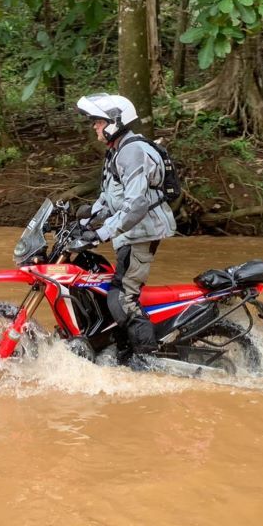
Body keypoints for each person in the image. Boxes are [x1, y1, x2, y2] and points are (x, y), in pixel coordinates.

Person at [71, 93, 176, 362]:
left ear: (114, 121)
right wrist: (84, 223)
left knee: (122, 299)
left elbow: (136, 204)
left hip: (141, 233)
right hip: (130, 232)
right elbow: (109, 198)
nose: (94, 126)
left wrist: (101, 233)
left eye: (98, 121)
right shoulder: (117, 150)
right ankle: (116, 348)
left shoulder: (131, 151)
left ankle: (147, 360)